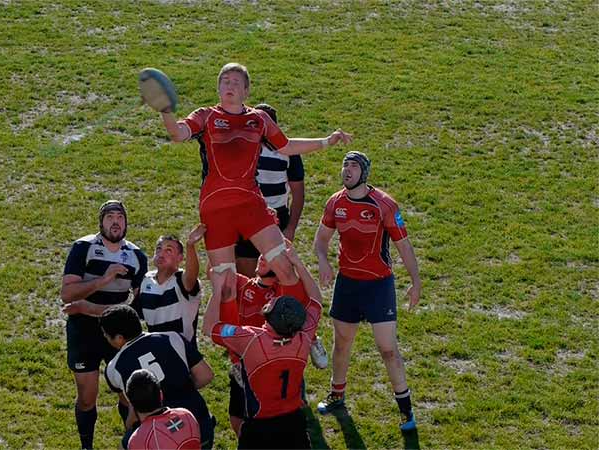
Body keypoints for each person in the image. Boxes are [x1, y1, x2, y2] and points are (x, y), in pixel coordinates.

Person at [156, 62, 352, 323]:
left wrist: (326, 141)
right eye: (225, 81)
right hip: (216, 211)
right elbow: (177, 133)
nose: (230, 85)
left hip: (251, 205)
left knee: (283, 266)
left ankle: (305, 328)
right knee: (225, 285)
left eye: (236, 82)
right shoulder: (206, 116)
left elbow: (286, 146)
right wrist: (165, 110)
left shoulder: (259, 119)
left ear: (246, 91)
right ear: (218, 88)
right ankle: (241, 351)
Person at [313, 151, 422, 431]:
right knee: (342, 344)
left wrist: (415, 281)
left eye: (353, 166)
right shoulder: (335, 202)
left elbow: (404, 245)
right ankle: (337, 395)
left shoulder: (384, 205)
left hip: (378, 286)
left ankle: (406, 410)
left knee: (388, 350)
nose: (347, 171)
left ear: (364, 173)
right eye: (344, 165)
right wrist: (323, 261)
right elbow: (321, 240)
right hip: (347, 285)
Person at [202, 244, 323, 449]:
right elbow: (316, 301)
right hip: (293, 422)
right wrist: (299, 263)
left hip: (259, 428)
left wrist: (216, 292)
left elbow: (210, 328)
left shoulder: (250, 339)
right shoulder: (303, 336)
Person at [60, 200, 148, 449]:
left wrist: (89, 308)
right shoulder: (83, 247)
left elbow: (137, 310)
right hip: (84, 331)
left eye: (120, 217)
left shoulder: (136, 256)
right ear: (101, 223)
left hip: (120, 333)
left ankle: (133, 443)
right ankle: (86, 446)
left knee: (129, 395)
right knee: (87, 398)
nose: (116, 222)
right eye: (109, 217)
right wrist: (104, 279)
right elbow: (67, 294)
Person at [100, 305, 215, 450]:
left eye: (105, 334)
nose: (105, 337)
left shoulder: (113, 368)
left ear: (119, 338)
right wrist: (182, 388)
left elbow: (131, 414)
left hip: (157, 440)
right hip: (198, 426)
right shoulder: (172, 337)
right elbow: (206, 375)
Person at [234, 103, 305, 278]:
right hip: (246, 216)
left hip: (277, 218)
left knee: (277, 276)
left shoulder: (289, 151)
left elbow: (298, 193)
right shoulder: (240, 148)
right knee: (245, 277)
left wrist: (290, 228)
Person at [131, 225, 205, 348]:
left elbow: (191, 276)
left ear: (180, 258)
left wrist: (190, 246)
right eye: (158, 249)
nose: (161, 254)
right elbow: (134, 313)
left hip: (183, 354)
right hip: (155, 351)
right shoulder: (147, 280)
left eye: (168, 250)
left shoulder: (181, 280)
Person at [125, 369, 201, 450]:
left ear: (132, 405)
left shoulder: (138, 440)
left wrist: (129, 422)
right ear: (161, 395)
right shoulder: (186, 414)